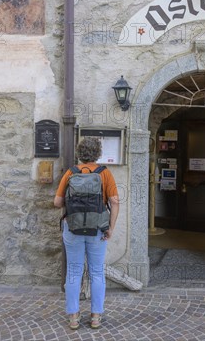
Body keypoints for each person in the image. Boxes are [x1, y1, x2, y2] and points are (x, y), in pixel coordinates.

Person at [54, 137, 119, 330]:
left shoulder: (71, 172)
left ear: (79, 153)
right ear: (98, 153)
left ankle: (73, 317)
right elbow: (115, 201)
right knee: (96, 271)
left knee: (74, 271)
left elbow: (57, 202)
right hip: (97, 229)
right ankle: (96, 317)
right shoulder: (104, 173)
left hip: (73, 228)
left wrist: (74, 205)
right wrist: (111, 227)